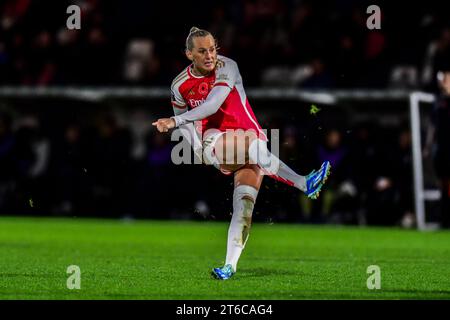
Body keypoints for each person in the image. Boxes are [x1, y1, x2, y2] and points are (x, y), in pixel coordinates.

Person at [152, 27, 331, 280]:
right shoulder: (179, 85)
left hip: (251, 138)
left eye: (212, 49)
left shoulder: (228, 66)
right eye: (202, 51)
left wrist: (174, 122)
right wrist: (198, 149)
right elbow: (186, 120)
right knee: (251, 144)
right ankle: (304, 182)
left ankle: (229, 266)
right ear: (189, 54)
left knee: (244, 206)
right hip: (215, 140)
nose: (209, 55)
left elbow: (212, 104)